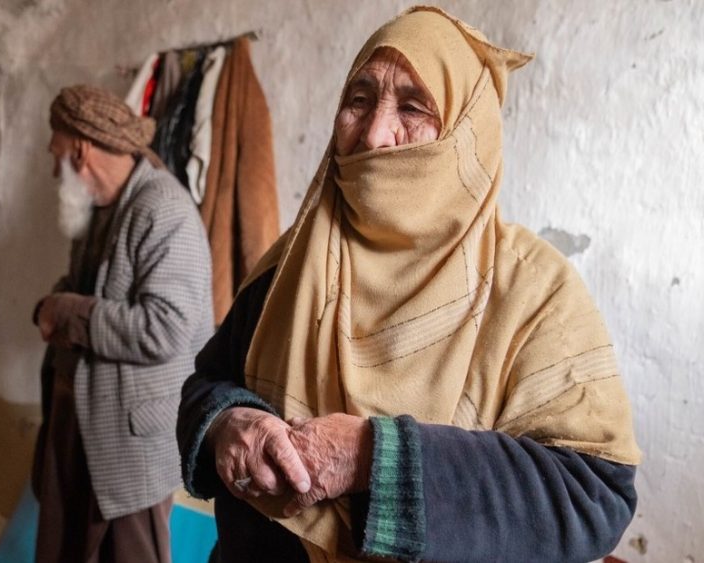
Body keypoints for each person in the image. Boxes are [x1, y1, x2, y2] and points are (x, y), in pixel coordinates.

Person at [177, 7, 640, 562]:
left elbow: (592, 492)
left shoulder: (534, 294)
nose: (374, 134)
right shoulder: (290, 265)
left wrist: (374, 456)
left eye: (414, 107)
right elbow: (208, 383)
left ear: (468, 135)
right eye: (359, 100)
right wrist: (229, 421)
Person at [32, 84, 213, 563]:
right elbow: (81, 285)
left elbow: (164, 329)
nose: (54, 169)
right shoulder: (98, 210)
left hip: (127, 446)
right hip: (76, 423)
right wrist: (54, 302)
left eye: (57, 154)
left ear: (82, 148)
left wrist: (64, 311)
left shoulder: (164, 210)